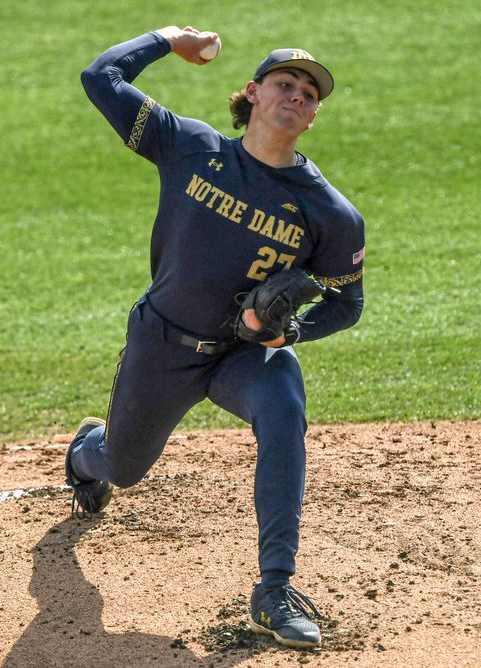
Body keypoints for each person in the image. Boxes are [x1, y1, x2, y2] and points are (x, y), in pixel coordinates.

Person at [67, 25, 365, 649]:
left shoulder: (328, 213)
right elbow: (102, 80)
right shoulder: (190, 147)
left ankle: (274, 588)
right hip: (162, 344)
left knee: (284, 412)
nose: (298, 98)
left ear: (311, 120)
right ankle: (84, 452)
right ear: (253, 93)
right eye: (286, 84)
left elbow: (348, 303)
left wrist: (287, 336)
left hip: (245, 356)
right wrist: (166, 38)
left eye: (311, 96)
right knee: (121, 467)